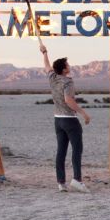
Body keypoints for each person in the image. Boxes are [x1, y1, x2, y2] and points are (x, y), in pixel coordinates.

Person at [39, 43, 91, 193]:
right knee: (77, 150)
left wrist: (44, 53)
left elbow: (47, 66)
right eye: (67, 64)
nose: (69, 65)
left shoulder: (53, 78)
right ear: (64, 69)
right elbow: (69, 100)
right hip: (69, 119)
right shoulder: (68, 81)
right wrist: (83, 113)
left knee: (61, 151)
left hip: (58, 120)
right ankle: (77, 180)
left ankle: (61, 183)